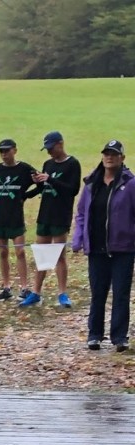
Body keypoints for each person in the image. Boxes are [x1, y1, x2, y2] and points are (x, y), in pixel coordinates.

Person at [72, 140, 135, 352]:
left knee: (121, 294)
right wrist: (78, 238)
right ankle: (94, 335)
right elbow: (82, 213)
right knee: (98, 293)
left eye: (114, 154)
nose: (110, 157)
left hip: (123, 248)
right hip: (97, 248)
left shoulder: (130, 184)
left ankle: (119, 337)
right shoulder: (92, 184)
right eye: (107, 154)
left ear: (122, 158)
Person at [20, 131, 82, 308]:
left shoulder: (72, 164)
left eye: (51, 148)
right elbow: (43, 187)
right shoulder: (48, 164)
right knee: (42, 253)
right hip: (45, 215)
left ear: (60, 144)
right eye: (46, 149)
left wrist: (51, 179)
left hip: (60, 215)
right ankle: (36, 292)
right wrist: (34, 187)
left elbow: (72, 190)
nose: (49, 152)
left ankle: (62, 293)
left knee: (59, 255)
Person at [0, 139, 42, 302]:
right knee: (3, 252)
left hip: (16, 216)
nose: (4, 154)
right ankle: (6, 287)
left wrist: (25, 195)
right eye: (1, 151)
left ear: (15, 150)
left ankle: (24, 287)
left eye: (7, 151)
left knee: (20, 252)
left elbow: (41, 183)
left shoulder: (24, 169)